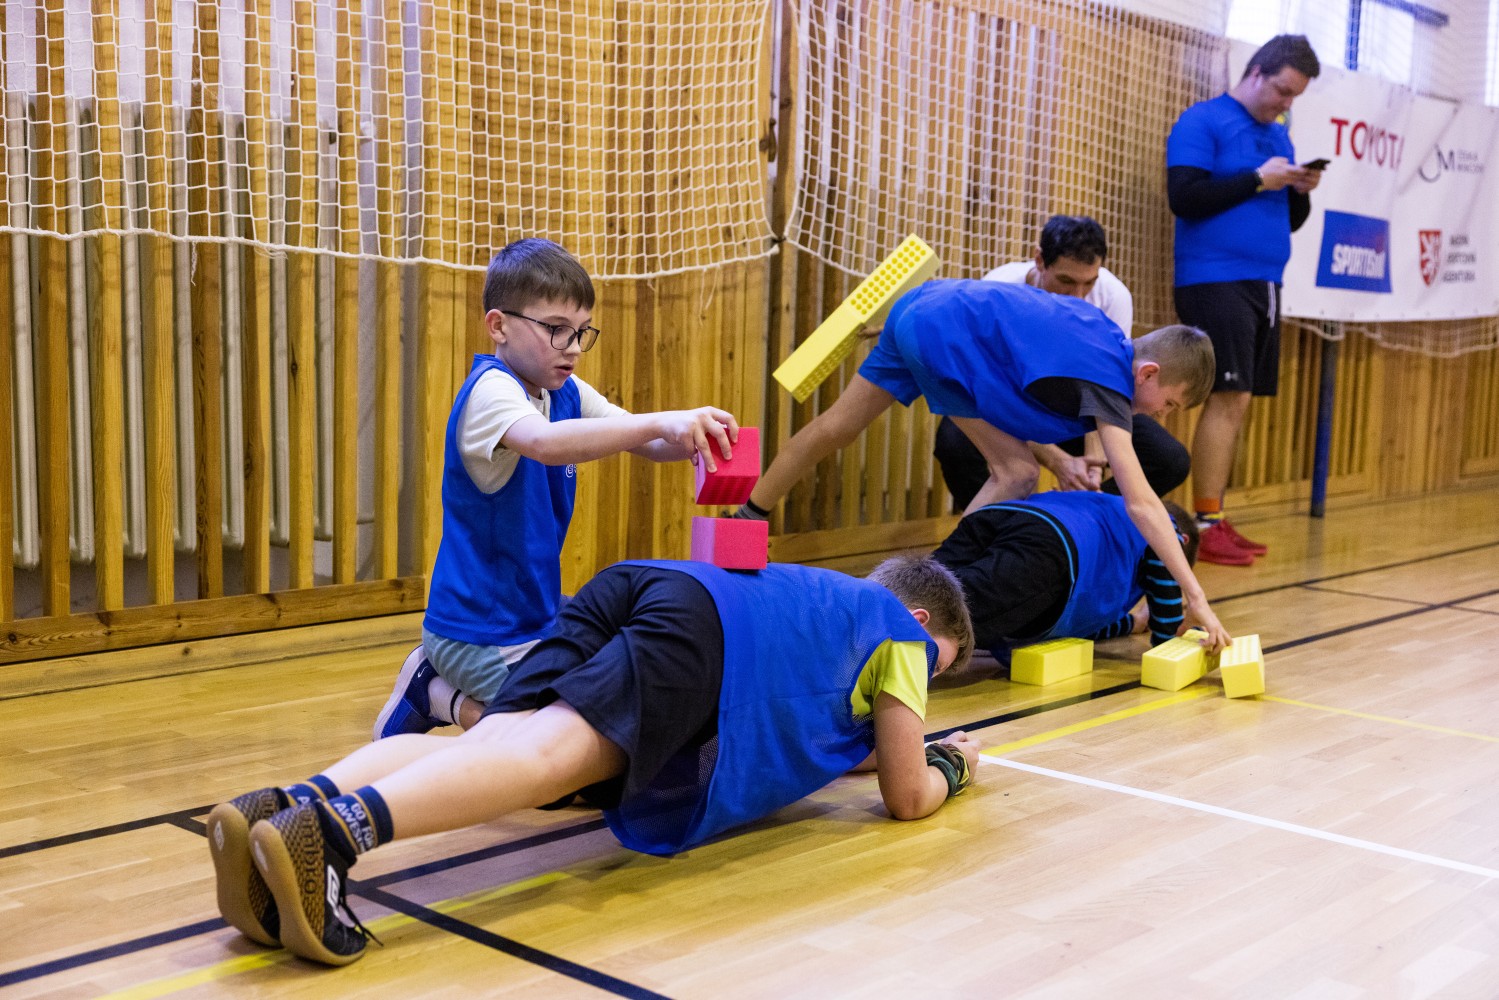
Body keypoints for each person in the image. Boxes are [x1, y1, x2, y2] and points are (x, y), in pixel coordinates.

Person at [207, 556, 979, 966]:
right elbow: (906, 796)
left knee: (493, 746)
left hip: (650, 585)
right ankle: (331, 836)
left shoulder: (827, 604)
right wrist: (951, 766)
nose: (922, 686)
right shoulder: (900, 636)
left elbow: (836, 738)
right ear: (920, 621)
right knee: (546, 759)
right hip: (703, 635)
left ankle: (281, 806)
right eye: (937, 668)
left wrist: (888, 753)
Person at [736, 278, 1231, 651]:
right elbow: (1142, 504)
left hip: (920, 306)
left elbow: (1007, 350)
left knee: (836, 427)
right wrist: (1196, 597)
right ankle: (928, 589)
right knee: (1015, 473)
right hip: (939, 335)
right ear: (1148, 373)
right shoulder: (1109, 380)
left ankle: (747, 516)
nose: (1161, 416)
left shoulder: (1101, 336)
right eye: (1169, 404)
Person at [374, 239, 739, 740]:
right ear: (498, 326)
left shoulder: (563, 390)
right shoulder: (491, 390)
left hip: (535, 614)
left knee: (620, 677)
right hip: (479, 631)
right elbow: (544, 443)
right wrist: (663, 420)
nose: (572, 346)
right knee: (555, 740)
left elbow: (647, 440)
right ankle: (435, 693)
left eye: (581, 331)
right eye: (556, 329)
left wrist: (698, 438)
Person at [1167, 34, 1322, 565]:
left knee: (1240, 400)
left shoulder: (1279, 136)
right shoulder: (1203, 121)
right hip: (1215, 278)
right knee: (1226, 396)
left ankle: (1216, 514)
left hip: (1265, 282)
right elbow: (1184, 197)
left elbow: (1289, 220)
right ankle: (1205, 523)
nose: (1286, 103)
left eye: (1294, 96)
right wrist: (1257, 178)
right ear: (1256, 72)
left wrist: (1299, 191)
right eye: (1282, 90)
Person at [935, 215, 1189, 509]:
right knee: (954, 443)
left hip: (1074, 409)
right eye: (1066, 281)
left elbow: (1106, 391)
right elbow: (987, 394)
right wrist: (1058, 461)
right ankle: (998, 525)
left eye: (1089, 283)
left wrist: (1094, 463)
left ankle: (1076, 516)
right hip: (1004, 400)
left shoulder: (1114, 295)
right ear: (1040, 260)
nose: (1078, 297)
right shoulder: (999, 287)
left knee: (1169, 459)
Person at [931, 491, 1200, 655]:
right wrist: (1170, 638)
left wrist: (1132, 623)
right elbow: (1164, 554)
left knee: (921, 592)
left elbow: (1082, 628)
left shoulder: (1114, 521)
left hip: (999, 515)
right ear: (1182, 540)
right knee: (943, 617)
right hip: (1053, 545)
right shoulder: (1161, 527)